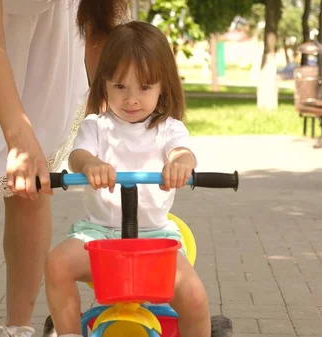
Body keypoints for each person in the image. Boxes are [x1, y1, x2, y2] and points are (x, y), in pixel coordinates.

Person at [0, 1, 130, 336]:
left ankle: (19, 329)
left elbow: (104, 18)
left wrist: (114, 123)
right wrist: (17, 136)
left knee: (32, 186)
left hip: (51, 26)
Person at [44, 21, 212, 337]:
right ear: (103, 83)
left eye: (145, 87)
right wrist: (91, 164)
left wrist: (180, 165)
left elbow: (182, 153)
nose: (131, 99)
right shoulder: (95, 127)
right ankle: (67, 332)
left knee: (193, 296)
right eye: (120, 86)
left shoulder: (169, 128)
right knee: (56, 263)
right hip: (99, 236)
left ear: (164, 86)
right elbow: (78, 155)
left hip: (155, 239)